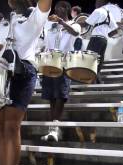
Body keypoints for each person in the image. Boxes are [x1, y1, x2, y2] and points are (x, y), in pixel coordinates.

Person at [0, 0, 51, 165]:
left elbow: (45, 5)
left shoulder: (33, 16)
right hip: (1, 71)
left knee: (11, 126)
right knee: (0, 126)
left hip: (23, 70)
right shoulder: (5, 22)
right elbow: (2, 48)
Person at [41, 1, 81, 142]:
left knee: (60, 96)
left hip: (64, 62)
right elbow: (45, 43)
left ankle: (56, 127)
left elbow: (76, 32)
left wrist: (62, 23)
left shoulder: (74, 23)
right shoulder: (50, 25)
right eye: (57, 7)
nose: (58, 9)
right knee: (51, 97)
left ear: (68, 10)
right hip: (50, 62)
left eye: (62, 7)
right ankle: (52, 128)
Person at [85, 0, 118, 82]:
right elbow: (116, 30)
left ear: (101, 3)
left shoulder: (98, 11)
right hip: (104, 40)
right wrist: (107, 35)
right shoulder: (109, 13)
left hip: (96, 38)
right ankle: (98, 82)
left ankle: (91, 81)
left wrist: (76, 22)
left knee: (89, 60)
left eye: (96, 2)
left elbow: (86, 23)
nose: (95, 4)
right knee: (99, 62)